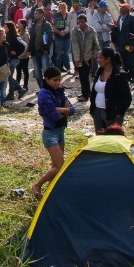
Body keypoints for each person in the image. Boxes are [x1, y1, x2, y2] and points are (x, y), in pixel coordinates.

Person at [31, 66, 75, 199]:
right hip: (50, 134)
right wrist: (65, 111)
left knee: (55, 166)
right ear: (47, 79)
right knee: (60, 166)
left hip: (60, 132)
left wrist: (62, 110)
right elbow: (54, 116)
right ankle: (37, 185)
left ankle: (50, 193)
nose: (57, 83)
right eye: (54, 80)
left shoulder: (59, 91)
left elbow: (72, 109)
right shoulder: (44, 93)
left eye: (58, 80)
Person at [89, 48, 131, 131]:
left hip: (112, 114)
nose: (98, 60)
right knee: (100, 139)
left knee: (112, 138)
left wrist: (119, 114)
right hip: (97, 112)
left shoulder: (119, 75)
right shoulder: (99, 72)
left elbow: (127, 98)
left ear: (108, 59)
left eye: (100, 58)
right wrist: (93, 110)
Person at [71, 14, 99, 102]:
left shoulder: (91, 30)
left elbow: (96, 44)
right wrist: (76, 58)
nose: (81, 24)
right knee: (81, 75)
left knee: (85, 75)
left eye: (82, 22)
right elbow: (75, 46)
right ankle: (86, 92)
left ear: (85, 22)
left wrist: (94, 55)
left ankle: (85, 95)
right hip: (79, 58)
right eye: (79, 22)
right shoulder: (75, 31)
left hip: (88, 58)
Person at [29, 8, 54, 89]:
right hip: (35, 52)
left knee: (46, 72)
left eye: (37, 14)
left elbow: (50, 37)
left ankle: (48, 89)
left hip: (44, 52)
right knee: (37, 73)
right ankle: (42, 89)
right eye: (35, 14)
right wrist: (30, 50)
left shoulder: (47, 25)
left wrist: (46, 49)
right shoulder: (33, 25)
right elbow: (32, 38)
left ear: (41, 15)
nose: (35, 15)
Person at [114, 3, 134, 82]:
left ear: (126, 9)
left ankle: (133, 76)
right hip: (121, 43)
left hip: (129, 44)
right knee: (123, 60)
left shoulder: (132, 18)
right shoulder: (119, 18)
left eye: (122, 8)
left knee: (130, 60)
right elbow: (119, 31)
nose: (120, 9)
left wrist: (132, 44)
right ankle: (126, 76)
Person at [5, 21, 26, 101]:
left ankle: (12, 94)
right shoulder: (8, 36)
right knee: (8, 76)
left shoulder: (13, 37)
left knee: (9, 76)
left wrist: (17, 53)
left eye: (6, 27)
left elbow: (23, 46)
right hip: (11, 59)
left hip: (14, 59)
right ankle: (19, 89)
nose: (4, 28)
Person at [51, 2, 71, 73]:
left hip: (67, 37)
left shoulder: (69, 15)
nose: (63, 9)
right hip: (58, 37)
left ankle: (68, 68)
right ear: (59, 9)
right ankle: (58, 68)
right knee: (58, 54)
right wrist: (59, 32)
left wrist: (65, 32)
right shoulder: (55, 16)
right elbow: (52, 26)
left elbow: (70, 26)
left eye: (64, 8)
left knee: (66, 53)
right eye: (61, 8)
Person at [17, 19, 32, 94]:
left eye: (19, 24)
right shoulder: (18, 32)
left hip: (24, 56)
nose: (17, 25)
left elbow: (27, 45)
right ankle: (17, 85)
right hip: (19, 56)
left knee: (25, 71)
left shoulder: (26, 34)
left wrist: (24, 54)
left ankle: (25, 85)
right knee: (18, 71)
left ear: (23, 25)